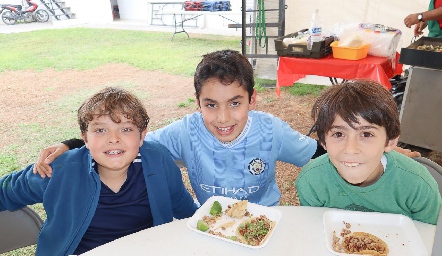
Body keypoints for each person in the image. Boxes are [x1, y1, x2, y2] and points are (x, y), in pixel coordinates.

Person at [33, 50, 419, 207]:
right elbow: (127, 143)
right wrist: (72, 143)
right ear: (198, 103)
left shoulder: (271, 130)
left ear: (253, 100)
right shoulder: (185, 131)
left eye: (235, 103)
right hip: (211, 224)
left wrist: (378, 151)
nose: (223, 118)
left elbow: (322, 153)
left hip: (269, 224)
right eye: (210, 105)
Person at [0, 87, 197, 255]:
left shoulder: (158, 160)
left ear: (142, 135)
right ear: (85, 138)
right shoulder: (59, 171)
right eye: (101, 130)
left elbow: (183, 207)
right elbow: (6, 191)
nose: (113, 138)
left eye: (126, 129)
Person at [295, 79, 441, 225]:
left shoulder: (418, 186)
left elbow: (430, 241)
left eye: (366, 134)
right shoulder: (311, 181)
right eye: (338, 134)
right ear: (323, 141)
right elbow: (313, 233)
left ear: (390, 141)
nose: (350, 149)